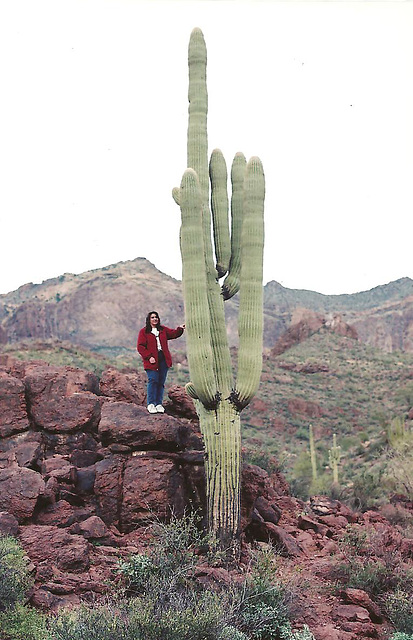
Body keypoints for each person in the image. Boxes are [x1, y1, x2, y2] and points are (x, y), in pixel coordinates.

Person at [137, 311, 185, 414]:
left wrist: (180, 328)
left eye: (156, 317)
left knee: (161, 382)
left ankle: (158, 404)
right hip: (151, 359)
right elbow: (140, 347)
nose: (155, 319)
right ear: (149, 319)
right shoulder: (144, 332)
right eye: (152, 317)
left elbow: (173, 334)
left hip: (163, 358)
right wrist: (149, 357)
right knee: (153, 380)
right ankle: (151, 404)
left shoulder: (162, 330)